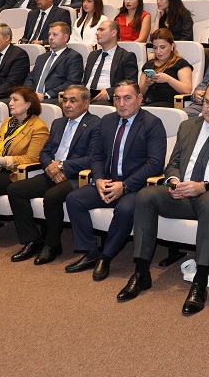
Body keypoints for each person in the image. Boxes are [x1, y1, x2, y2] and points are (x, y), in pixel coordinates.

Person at [121, 80, 209, 313]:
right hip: (182, 193)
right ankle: (141, 273)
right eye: (207, 103)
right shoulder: (188, 126)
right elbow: (172, 164)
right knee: (145, 196)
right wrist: (174, 181)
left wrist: (204, 186)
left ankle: (200, 282)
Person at [64, 80, 167, 279]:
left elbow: (155, 163)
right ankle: (91, 253)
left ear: (139, 99)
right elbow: (97, 156)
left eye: (127, 98)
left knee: (125, 209)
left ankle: (106, 256)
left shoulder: (152, 123)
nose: (121, 103)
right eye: (117, 98)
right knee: (74, 199)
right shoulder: (107, 121)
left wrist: (125, 185)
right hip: (108, 181)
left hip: (135, 187)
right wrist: (99, 179)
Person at [7, 85, 102, 265]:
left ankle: (52, 245)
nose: (67, 105)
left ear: (86, 103)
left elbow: (93, 158)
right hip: (52, 172)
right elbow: (44, 152)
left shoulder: (96, 124)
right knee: (15, 189)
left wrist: (62, 166)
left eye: (73, 101)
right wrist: (50, 168)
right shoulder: (58, 123)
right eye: (64, 100)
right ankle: (33, 239)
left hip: (77, 177)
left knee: (52, 196)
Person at [81, 19, 139, 103]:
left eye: (101, 30)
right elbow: (84, 82)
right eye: (97, 30)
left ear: (113, 33)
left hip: (108, 99)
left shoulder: (126, 56)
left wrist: (109, 93)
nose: (96, 33)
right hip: (85, 97)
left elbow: (131, 84)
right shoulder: (93, 55)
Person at [25, 21, 84, 102]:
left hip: (54, 98)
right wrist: (30, 93)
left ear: (65, 37)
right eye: (49, 34)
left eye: (55, 35)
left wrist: (46, 95)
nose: (50, 38)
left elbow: (72, 83)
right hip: (33, 98)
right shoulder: (42, 57)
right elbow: (30, 78)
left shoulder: (73, 57)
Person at [140, 28, 193, 107]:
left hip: (167, 103)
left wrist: (168, 79)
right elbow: (139, 93)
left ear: (172, 46)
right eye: (155, 48)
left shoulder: (180, 63)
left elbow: (187, 90)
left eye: (162, 47)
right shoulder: (149, 65)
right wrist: (146, 84)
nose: (158, 51)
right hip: (147, 102)